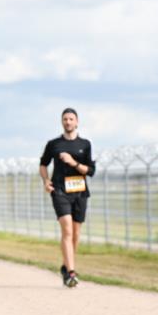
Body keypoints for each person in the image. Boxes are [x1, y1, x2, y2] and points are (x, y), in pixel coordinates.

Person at [39, 107, 95, 288]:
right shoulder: (54, 144)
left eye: (71, 119)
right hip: (60, 191)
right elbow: (43, 164)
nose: (68, 122)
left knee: (76, 234)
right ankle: (71, 272)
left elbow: (90, 171)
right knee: (67, 231)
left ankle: (66, 265)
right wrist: (46, 181)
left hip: (79, 192)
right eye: (65, 119)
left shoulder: (85, 144)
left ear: (77, 122)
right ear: (62, 122)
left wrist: (73, 162)